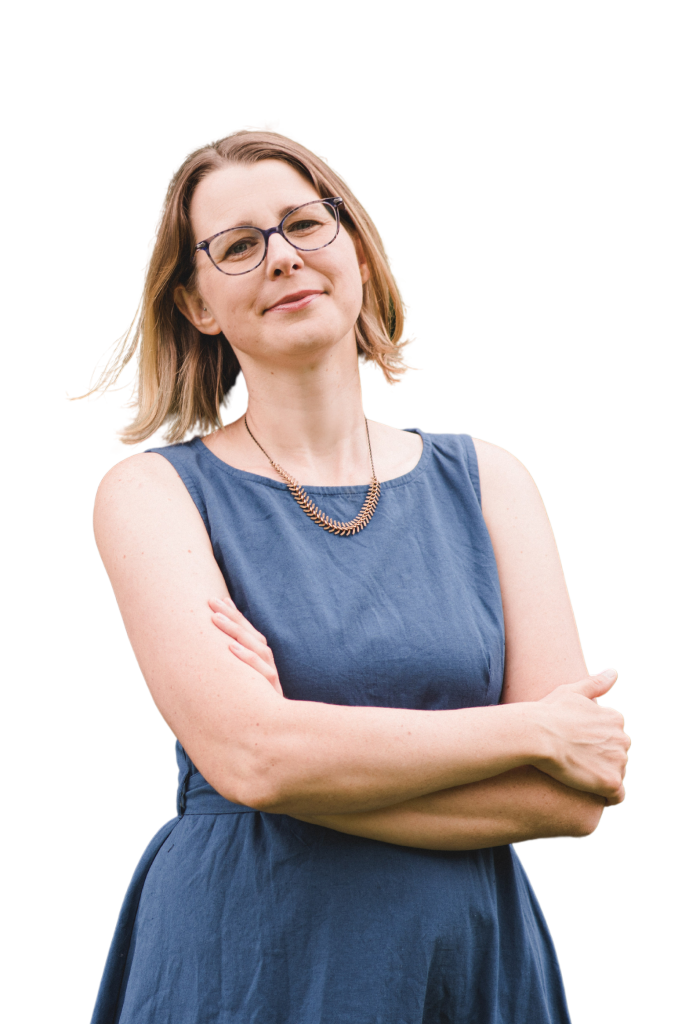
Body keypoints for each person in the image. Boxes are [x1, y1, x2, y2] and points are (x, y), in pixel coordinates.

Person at [81, 122, 630, 1023]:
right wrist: (529, 729)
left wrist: (298, 764)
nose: (282, 257)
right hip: (249, 953)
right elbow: (254, 757)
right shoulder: (151, 493)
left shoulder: (491, 478)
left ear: (358, 252)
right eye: (238, 246)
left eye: (304, 224)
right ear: (196, 304)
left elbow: (570, 798)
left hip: (468, 958)